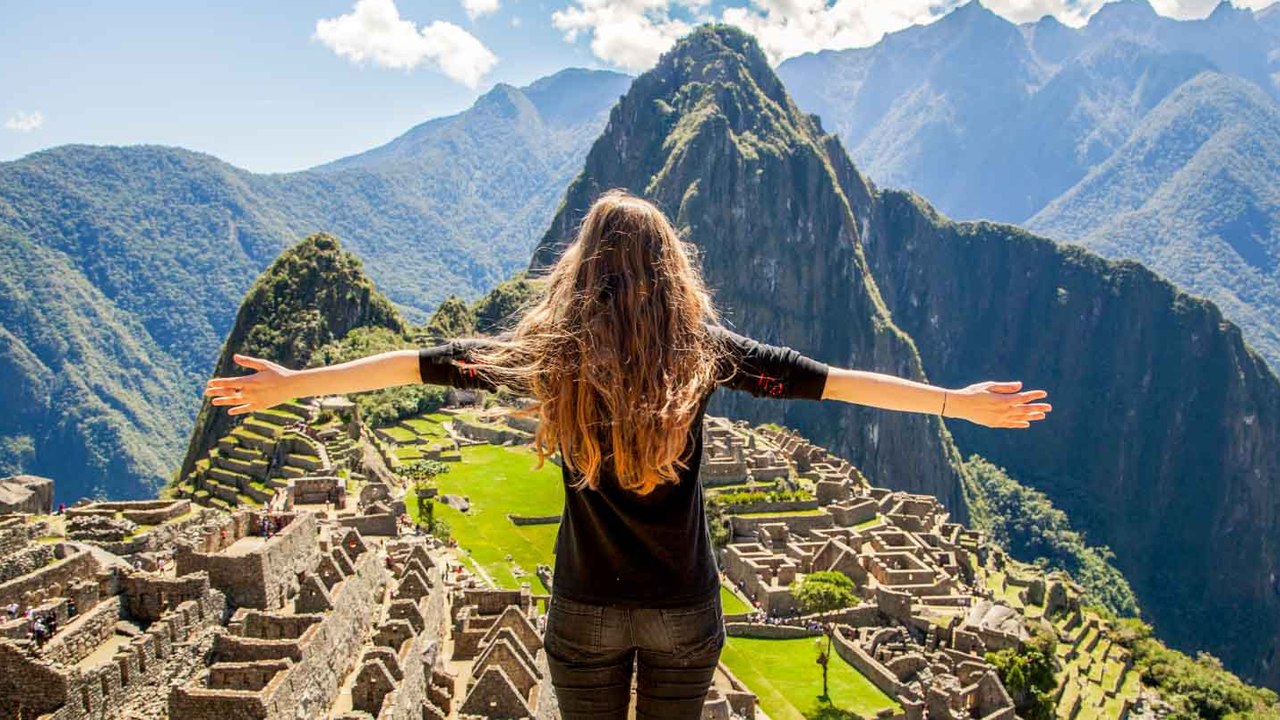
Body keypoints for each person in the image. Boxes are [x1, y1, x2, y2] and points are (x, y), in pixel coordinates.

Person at [202, 189, 1050, 719]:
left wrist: (295, 385)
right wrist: (953, 405)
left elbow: (417, 362)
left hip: (584, 607)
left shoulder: (553, 353)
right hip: (684, 606)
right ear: (670, 268)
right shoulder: (703, 349)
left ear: (584, 268)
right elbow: (832, 383)